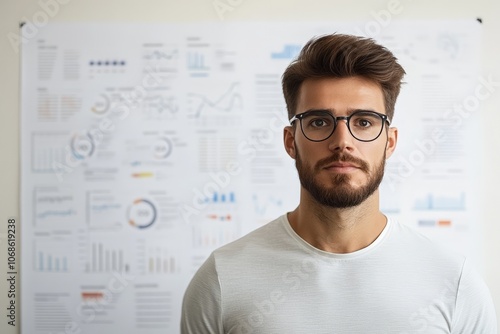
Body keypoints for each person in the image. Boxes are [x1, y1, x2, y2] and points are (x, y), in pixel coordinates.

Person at [180, 34, 497, 333]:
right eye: (319, 122)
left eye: (364, 122)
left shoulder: (453, 282)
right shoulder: (223, 278)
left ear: (390, 141)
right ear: (291, 141)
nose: (342, 141)